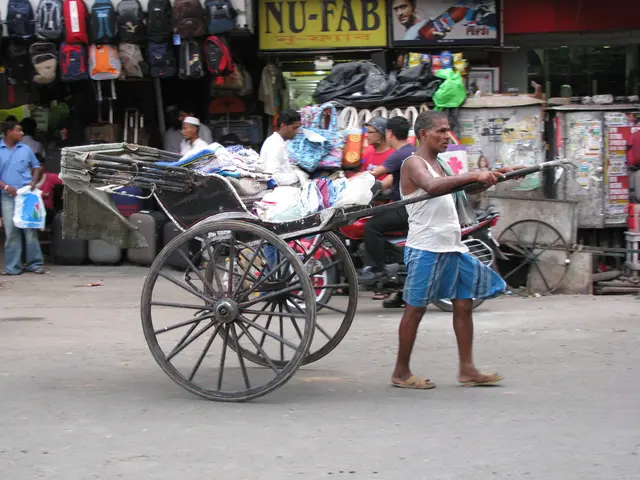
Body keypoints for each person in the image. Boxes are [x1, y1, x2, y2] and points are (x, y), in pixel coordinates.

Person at [391, 110, 514, 390]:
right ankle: (400, 371)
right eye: (441, 131)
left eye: (448, 130)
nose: (447, 136)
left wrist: (495, 176)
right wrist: (475, 174)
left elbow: (461, 189)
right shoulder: (413, 163)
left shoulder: (441, 164)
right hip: (426, 247)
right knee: (415, 309)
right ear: (424, 134)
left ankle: (467, 369)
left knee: (463, 303)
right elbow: (433, 187)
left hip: (451, 245)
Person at [359, 117, 415, 298]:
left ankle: (379, 269)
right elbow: (388, 181)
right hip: (407, 205)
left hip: (406, 208)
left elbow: (374, 174)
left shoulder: (400, 154)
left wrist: (345, 183)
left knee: (371, 226)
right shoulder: (410, 151)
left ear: (389, 133)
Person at [0, 120, 44, 275]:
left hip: (26, 196)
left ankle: (35, 264)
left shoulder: (25, 149)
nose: (22, 133)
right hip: (7, 196)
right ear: (9, 132)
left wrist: (33, 181)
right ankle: (13, 267)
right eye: (18, 130)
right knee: (12, 231)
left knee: (30, 229)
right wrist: (6, 187)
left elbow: (37, 166)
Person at [259, 109, 301, 186]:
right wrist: (298, 176)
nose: (297, 131)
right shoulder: (274, 145)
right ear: (283, 125)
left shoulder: (282, 142)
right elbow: (272, 177)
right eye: (294, 128)